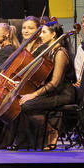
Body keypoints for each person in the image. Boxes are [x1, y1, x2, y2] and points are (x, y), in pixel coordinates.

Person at [9, 19, 76, 150]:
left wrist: (34, 94)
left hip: (64, 94)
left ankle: (51, 131)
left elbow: (55, 83)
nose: (40, 35)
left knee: (27, 105)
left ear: (53, 35)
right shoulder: (49, 51)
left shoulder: (60, 53)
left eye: (44, 32)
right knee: (20, 102)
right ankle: (28, 141)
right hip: (53, 92)